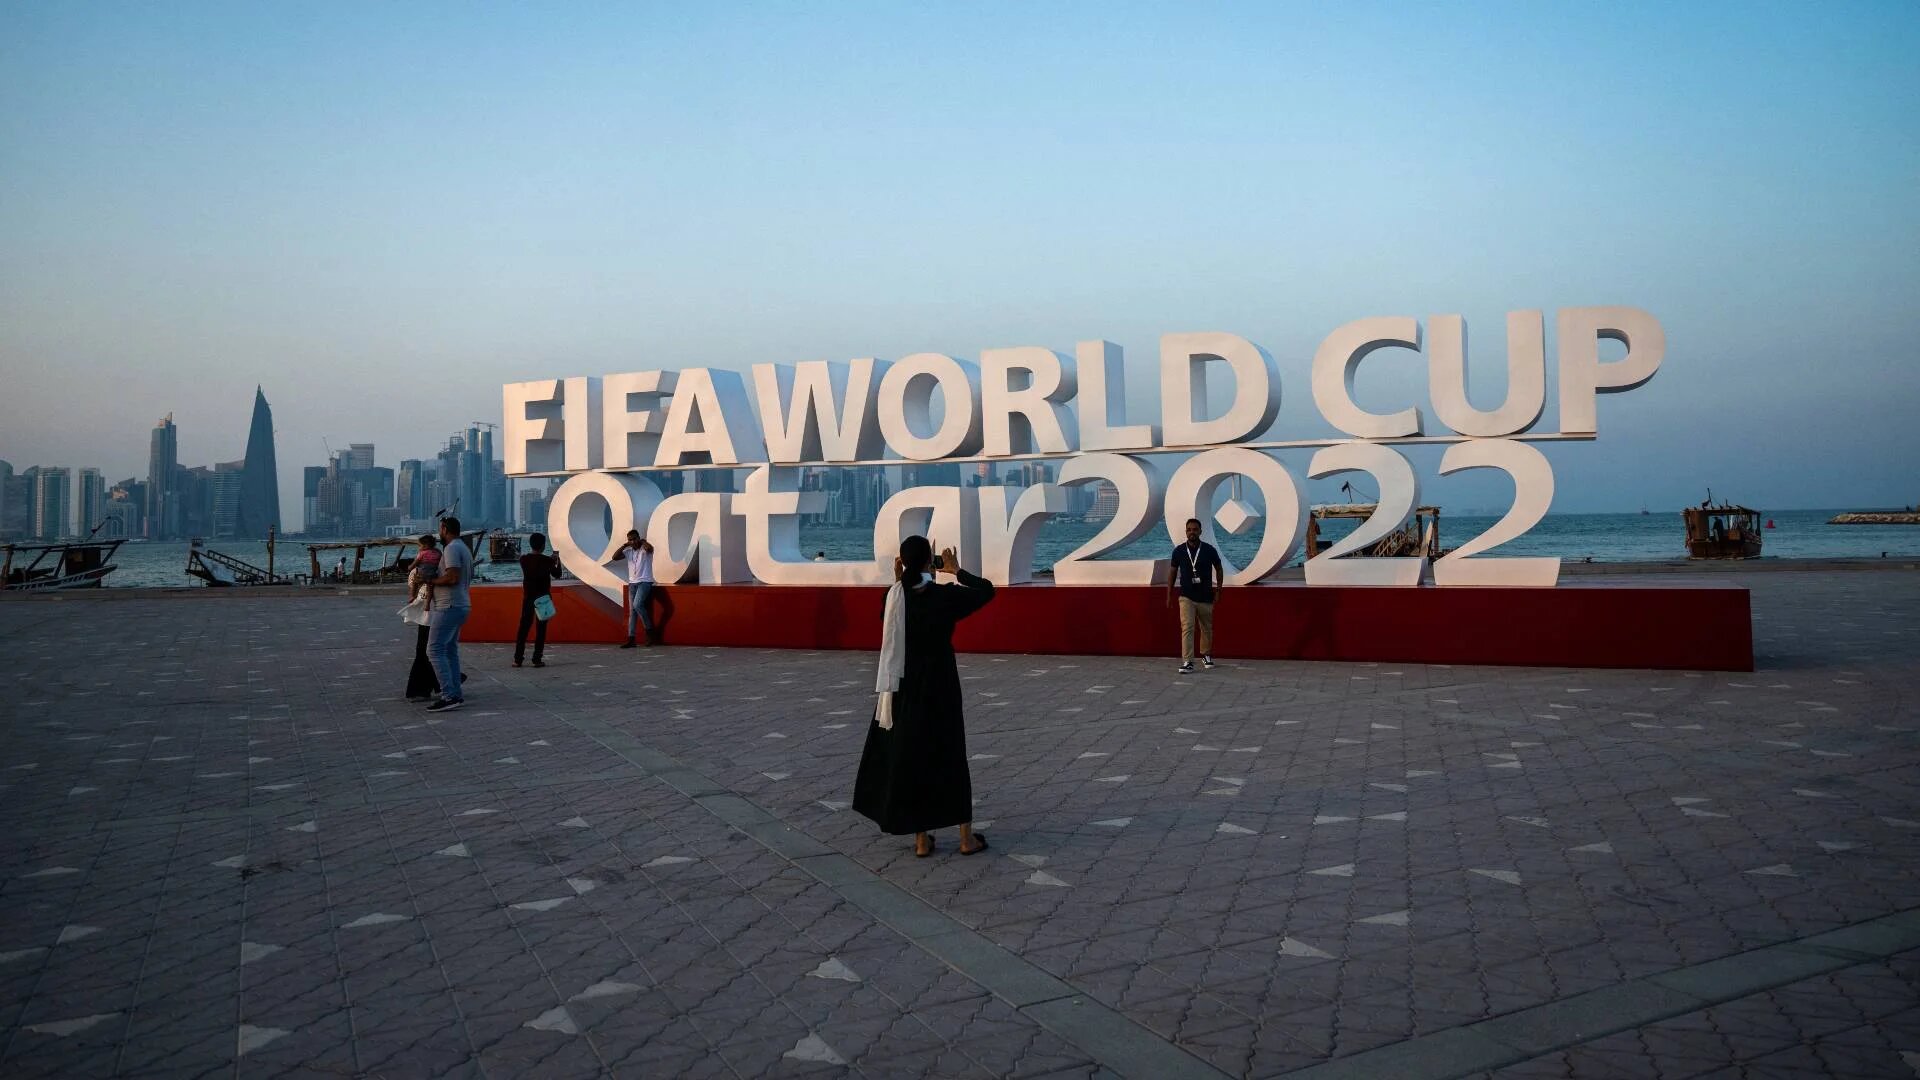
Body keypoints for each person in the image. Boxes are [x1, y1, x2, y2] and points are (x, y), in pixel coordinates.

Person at [853, 536, 994, 858]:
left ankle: (921, 840)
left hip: (904, 685)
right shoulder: (943, 597)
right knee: (950, 754)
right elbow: (987, 591)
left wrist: (897, 580)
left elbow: (889, 616)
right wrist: (957, 571)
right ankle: (965, 838)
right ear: (931, 562)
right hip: (941, 682)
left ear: (902, 562)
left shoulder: (893, 598)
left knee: (915, 755)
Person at [425, 517, 472, 712]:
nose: (439, 533)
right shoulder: (464, 548)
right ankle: (456, 694)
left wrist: (431, 580)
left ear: (445, 529)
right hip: (461, 604)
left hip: (449, 606)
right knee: (450, 650)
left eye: (440, 529)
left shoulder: (451, 548)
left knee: (434, 650)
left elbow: (453, 577)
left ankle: (449, 695)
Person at [1168, 517, 1223, 674]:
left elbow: (1219, 569)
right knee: (1187, 627)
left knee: (1206, 628)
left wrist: (1219, 589)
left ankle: (1206, 655)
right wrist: (1169, 594)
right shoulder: (1178, 551)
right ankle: (1188, 661)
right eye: (1189, 529)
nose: (1192, 532)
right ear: (1186, 532)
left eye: (1195, 529)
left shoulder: (1209, 550)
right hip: (1186, 597)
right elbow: (1172, 573)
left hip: (1206, 596)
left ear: (1200, 531)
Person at [514, 532, 561, 668]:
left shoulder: (524, 560)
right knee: (541, 630)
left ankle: (518, 659)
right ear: (543, 546)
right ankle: (537, 659)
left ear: (531, 544)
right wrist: (557, 560)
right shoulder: (548, 561)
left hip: (528, 598)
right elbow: (557, 574)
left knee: (523, 629)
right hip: (543, 599)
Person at [404, 535, 441, 701]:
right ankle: (430, 685)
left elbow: (412, 583)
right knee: (425, 649)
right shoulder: (438, 562)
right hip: (434, 610)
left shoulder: (417, 570)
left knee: (424, 650)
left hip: (429, 613)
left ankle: (430, 685)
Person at [616, 529, 656, 647]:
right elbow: (615, 557)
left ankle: (649, 631)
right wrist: (624, 545)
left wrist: (643, 542)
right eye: (630, 540)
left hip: (645, 582)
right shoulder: (628, 551)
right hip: (632, 583)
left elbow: (650, 549)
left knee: (637, 605)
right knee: (632, 612)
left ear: (638, 538)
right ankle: (631, 639)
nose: (632, 542)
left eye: (634, 539)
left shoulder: (645, 549)